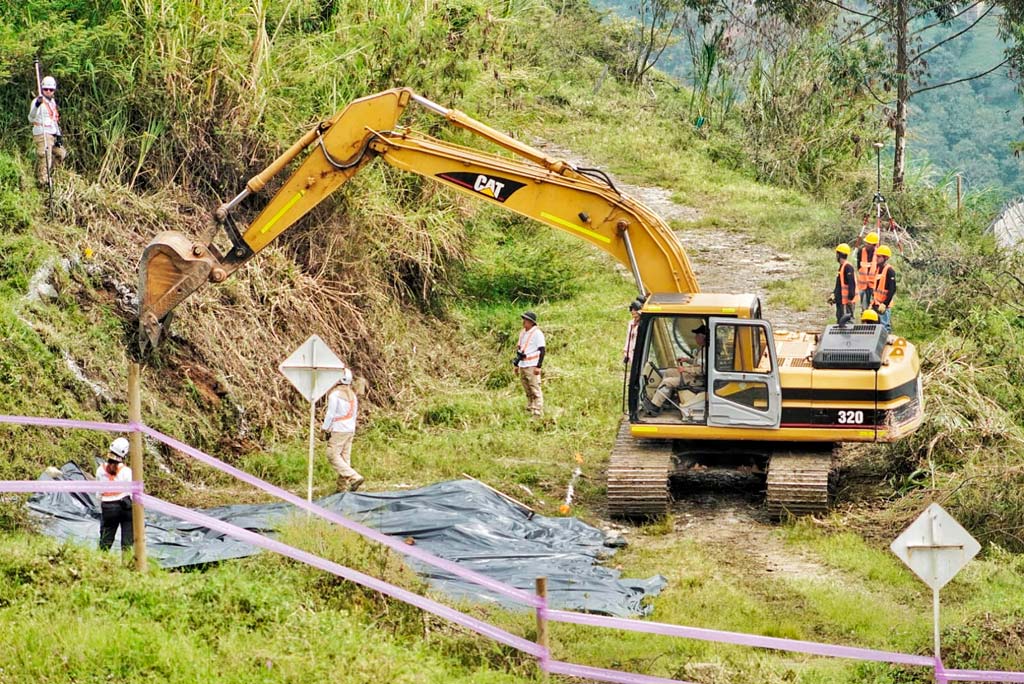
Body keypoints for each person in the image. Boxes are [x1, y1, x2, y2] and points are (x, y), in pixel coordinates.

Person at [644, 323, 707, 418]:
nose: (695, 338)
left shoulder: (706, 351)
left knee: (667, 382)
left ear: (703, 337)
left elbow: (702, 370)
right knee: (669, 371)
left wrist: (685, 369)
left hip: (697, 379)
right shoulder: (703, 349)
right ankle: (665, 398)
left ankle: (655, 407)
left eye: (697, 336)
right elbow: (697, 362)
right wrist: (686, 360)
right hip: (694, 375)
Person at [321, 368, 364, 492]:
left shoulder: (334, 395)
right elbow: (354, 414)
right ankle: (341, 488)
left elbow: (330, 414)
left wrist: (325, 428)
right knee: (345, 458)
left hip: (339, 429)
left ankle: (354, 477)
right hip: (350, 429)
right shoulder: (352, 395)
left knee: (332, 454)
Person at [27, 75, 66, 187]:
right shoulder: (37, 101)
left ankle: (50, 174)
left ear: (54, 90)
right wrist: (37, 105)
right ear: (42, 89)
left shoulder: (52, 102)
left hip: (52, 133)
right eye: (46, 89)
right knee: (45, 156)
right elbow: (31, 118)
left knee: (61, 153)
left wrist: (58, 136)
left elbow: (54, 119)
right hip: (42, 133)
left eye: (51, 89)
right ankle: (42, 180)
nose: (48, 91)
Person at [96, 437, 133, 553]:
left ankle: (101, 560)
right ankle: (127, 562)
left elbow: (99, 494)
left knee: (105, 539)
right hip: (125, 507)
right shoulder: (127, 471)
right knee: (127, 541)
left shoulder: (100, 470)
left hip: (108, 507)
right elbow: (132, 494)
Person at [514, 311, 545, 417]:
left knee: (535, 388)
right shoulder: (523, 333)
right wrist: (516, 364)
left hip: (532, 364)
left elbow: (542, 350)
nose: (524, 322)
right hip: (523, 364)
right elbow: (520, 349)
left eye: (526, 320)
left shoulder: (537, 333)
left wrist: (538, 366)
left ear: (531, 322)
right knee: (527, 388)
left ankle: (537, 410)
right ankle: (530, 406)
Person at [828, 243, 856, 325]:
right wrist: (834, 294)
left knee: (848, 321)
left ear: (838, 255)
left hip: (847, 300)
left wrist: (850, 298)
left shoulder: (848, 267)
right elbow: (839, 283)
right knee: (840, 320)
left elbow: (852, 283)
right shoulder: (842, 266)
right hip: (841, 299)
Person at [871, 245, 897, 333]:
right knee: (874, 326)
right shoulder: (878, 269)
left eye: (879, 256)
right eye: (876, 256)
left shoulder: (890, 271)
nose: (877, 258)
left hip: (884, 305)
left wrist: (885, 304)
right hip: (876, 303)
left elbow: (892, 289)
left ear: (885, 258)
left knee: (884, 327)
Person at [856, 231, 880, 313]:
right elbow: (859, 266)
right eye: (866, 243)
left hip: (874, 285)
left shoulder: (878, 254)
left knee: (874, 307)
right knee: (864, 307)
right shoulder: (861, 251)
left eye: (869, 244)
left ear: (874, 245)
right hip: (863, 285)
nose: (866, 245)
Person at [622, 300, 642, 365]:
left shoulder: (642, 325)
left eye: (635, 310)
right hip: (630, 352)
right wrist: (626, 350)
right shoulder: (631, 323)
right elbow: (628, 338)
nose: (633, 312)